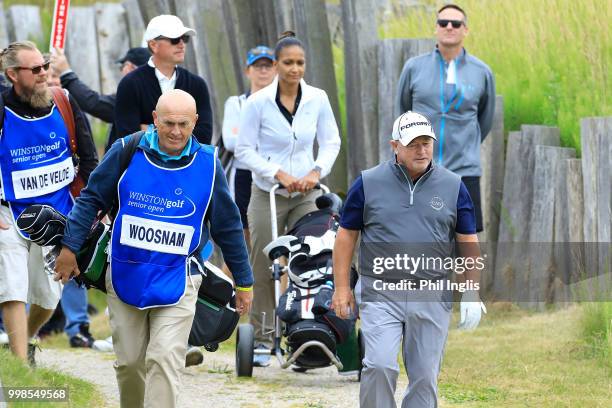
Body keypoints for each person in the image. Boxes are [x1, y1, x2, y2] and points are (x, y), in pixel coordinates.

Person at [54, 89, 253, 408]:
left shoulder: (209, 164)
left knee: (163, 359)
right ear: (155, 120)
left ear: (195, 123)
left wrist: (243, 281)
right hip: (124, 274)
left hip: (180, 279)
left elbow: (228, 226)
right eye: (169, 123)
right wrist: (69, 248)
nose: (176, 131)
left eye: (183, 124)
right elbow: (91, 198)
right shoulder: (126, 150)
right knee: (131, 364)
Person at [332, 111, 486, 407]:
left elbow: (467, 242)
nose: (421, 149)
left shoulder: (454, 186)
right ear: (395, 146)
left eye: (426, 142)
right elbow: (345, 237)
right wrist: (342, 288)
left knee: (425, 376)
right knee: (378, 365)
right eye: (413, 143)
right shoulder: (367, 183)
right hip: (380, 290)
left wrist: (471, 290)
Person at [235, 32, 341, 366]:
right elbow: (244, 150)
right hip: (268, 192)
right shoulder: (258, 103)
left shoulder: (318, 98)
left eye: (300, 63)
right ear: (278, 66)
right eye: (288, 63)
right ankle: (264, 338)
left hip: (306, 194)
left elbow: (331, 142)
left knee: (312, 257)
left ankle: (306, 330)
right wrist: (277, 173)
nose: (295, 69)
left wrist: (315, 172)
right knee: (265, 263)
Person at [0, 41, 98, 365]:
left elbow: (89, 162)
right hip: (9, 213)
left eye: (44, 66)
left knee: (48, 298)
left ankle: (24, 339)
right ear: (12, 75)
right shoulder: (2, 109)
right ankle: (19, 365)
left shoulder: (64, 102)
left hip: (56, 215)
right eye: (35, 69)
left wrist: (89, 213)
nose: (44, 73)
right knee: (12, 284)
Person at [396, 3, 495, 232]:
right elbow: (403, 111)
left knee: (466, 238)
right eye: (443, 23)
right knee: (418, 234)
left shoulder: (482, 71)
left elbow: (485, 119)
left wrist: (466, 143)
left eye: (456, 23)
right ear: (436, 28)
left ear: (465, 30)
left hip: (464, 170)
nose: (449, 27)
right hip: (420, 169)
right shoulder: (414, 67)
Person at [114, 15, 213, 144]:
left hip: (188, 164)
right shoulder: (130, 84)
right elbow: (128, 138)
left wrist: (149, 129)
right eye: (175, 39)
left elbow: (204, 135)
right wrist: (184, 131)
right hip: (144, 164)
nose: (182, 44)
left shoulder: (197, 84)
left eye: (184, 38)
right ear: (153, 45)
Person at [222, 45, 276, 244]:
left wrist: (249, 140)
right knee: (244, 237)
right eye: (257, 66)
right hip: (244, 176)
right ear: (248, 70)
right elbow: (231, 141)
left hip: (273, 175)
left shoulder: (282, 105)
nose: (263, 71)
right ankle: (230, 276)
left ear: (276, 69)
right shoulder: (236, 103)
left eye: (268, 66)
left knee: (277, 235)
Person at [50, 47, 151, 152]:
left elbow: (92, 102)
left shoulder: (132, 97)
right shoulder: (153, 93)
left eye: (122, 67)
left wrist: (66, 73)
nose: (121, 72)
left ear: (129, 67)